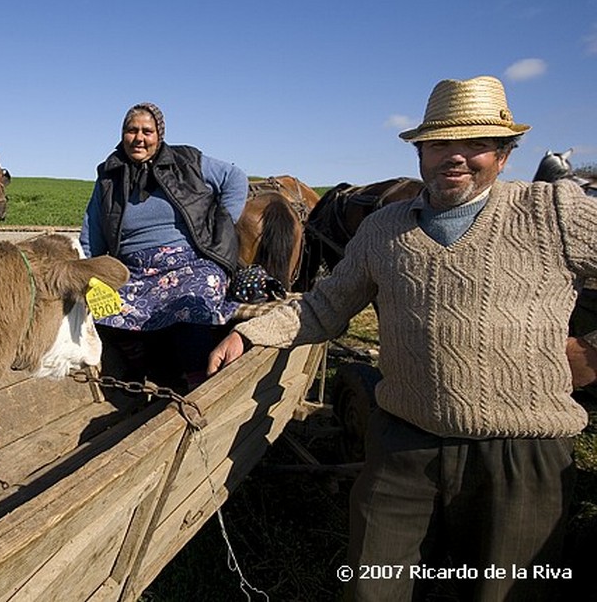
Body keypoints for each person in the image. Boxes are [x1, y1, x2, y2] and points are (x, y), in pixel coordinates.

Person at [208, 76, 597, 600]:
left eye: (475, 144)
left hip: (521, 453)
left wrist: (592, 354)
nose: (454, 157)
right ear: (421, 151)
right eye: (439, 143)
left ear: (503, 154)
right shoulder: (384, 227)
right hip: (402, 441)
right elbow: (324, 306)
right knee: (374, 585)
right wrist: (251, 335)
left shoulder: (553, 212)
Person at [79, 102, 249, 391]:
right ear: (122, 134)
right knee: (100, 303)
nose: (139, 138)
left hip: (189, 263)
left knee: (191, 301)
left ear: (159, 134)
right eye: (132, 130)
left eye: (147, 131)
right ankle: (138, 362)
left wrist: (224, 223)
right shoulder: (109, 176)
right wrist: (88, 272)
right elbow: (92, 230)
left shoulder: (186, 160)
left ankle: (197, 380)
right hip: (133, 269)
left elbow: (235, 178)